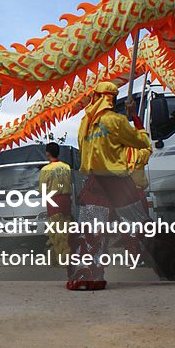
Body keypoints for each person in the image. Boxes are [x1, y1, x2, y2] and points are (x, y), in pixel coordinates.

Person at [72, 82, 151, 290]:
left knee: (90, 232)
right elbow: (141, 143)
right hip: (117, 183)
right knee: (140, 223)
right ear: (112, 99)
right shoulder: (116, 121)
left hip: (93, 183)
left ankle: (86, 275)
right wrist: (134, 120)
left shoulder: (84, 123)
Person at [39, 142, 73, 261]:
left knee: (56, 232)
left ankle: (61, 258)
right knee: (67, 229)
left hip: (54, 200)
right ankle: (67, 256)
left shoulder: (46, 169)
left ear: (47, 153)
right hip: (66, 200)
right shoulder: (66, 167)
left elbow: (42, 189)